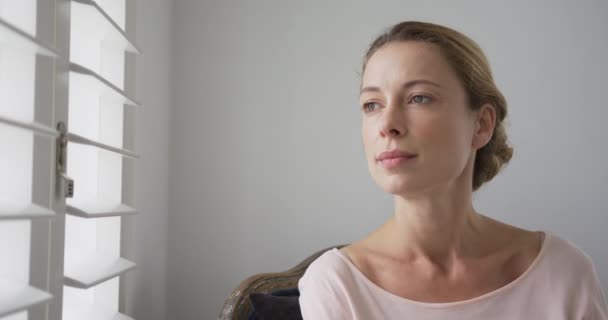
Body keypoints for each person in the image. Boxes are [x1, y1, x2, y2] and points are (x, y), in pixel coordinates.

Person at [297, 21, 608, 319]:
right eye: (372, 105)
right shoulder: (336, 285)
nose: (387, 125)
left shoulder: (563, 272)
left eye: (419, 98)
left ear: (481, 125)